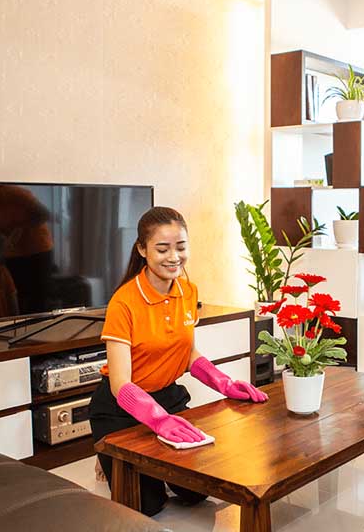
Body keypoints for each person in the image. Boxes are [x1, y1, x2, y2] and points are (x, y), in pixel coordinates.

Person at [89, 206, 268, 515]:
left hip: (168, 398)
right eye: (162, 249)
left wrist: (224, 383)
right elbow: (119, 384)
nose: (174, 257)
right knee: (147, 505)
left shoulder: (188, 291)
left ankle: (134, 457)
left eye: (181, 247)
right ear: (142, 250)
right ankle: (106, 451)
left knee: (197, 492)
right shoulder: (123, 303)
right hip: (122, 409)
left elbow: (187, 353)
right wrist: (157, 420)